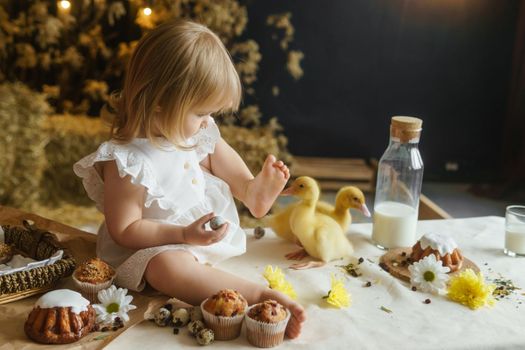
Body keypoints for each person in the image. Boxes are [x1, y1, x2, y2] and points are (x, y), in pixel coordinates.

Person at [74, 19, 305, 337]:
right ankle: (253, 296)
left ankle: (251, 192)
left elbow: (212, 149)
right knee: (166, 268)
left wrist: (249, 186)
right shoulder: (127, 160)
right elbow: (125, 230)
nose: (208, 121)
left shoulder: (194, 132)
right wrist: (182, 234)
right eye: (200, 113)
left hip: (197, 234)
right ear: (159, 103)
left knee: (212, 151)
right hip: (151, 246)